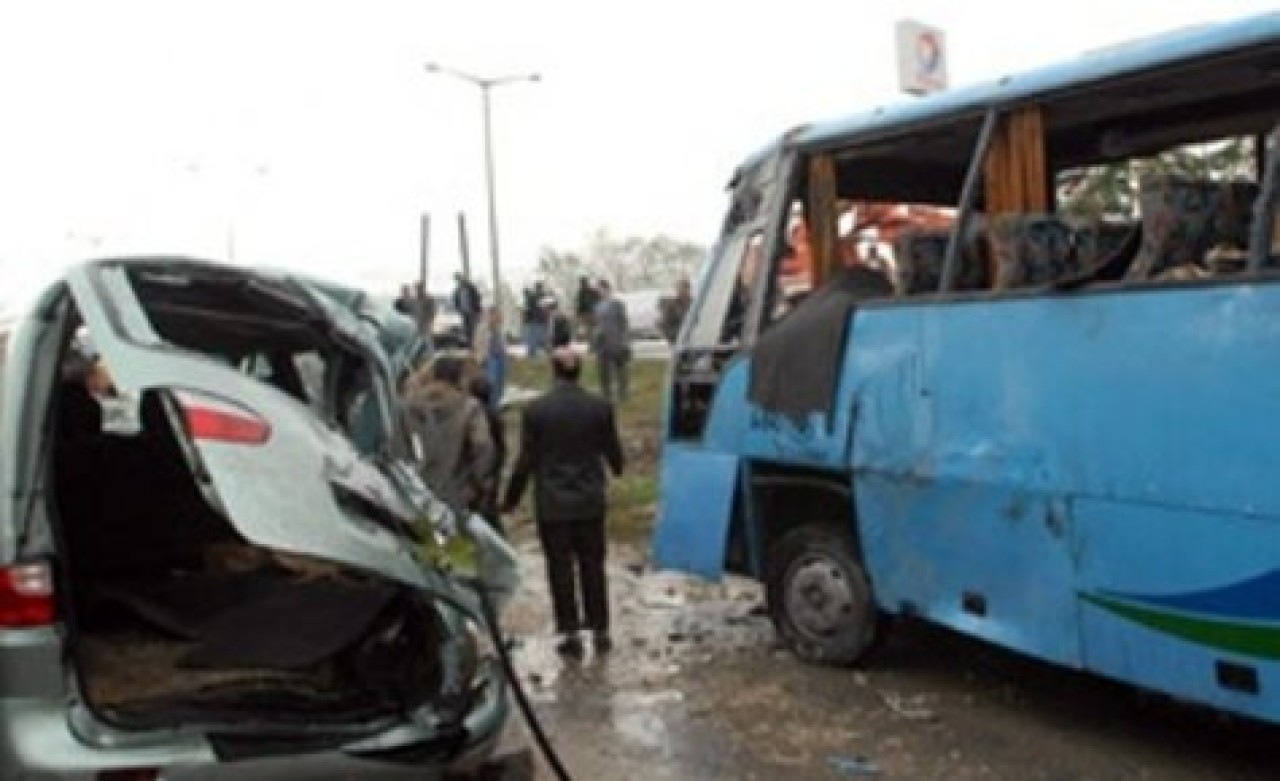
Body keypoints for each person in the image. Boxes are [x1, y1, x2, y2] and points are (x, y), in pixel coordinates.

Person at [502, 348, 624, 656]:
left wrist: (511, 499)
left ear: (554, 371)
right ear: (579, 371)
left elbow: (526, 460)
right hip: (589, 500)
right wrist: (617, 466)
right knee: (593, 565)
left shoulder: (536, 411)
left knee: (560, 568)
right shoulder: (599, 407)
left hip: (552, 502)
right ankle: (600, 628)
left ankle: (570, 632)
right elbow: (612, 449)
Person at [402, 353, 495, 514]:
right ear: (459, 378)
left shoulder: (409, 404)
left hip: (409, 489)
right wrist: (476, 486)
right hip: (451, 494)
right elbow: (483, 449)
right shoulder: (470, 408)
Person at [467, 374, 507, 535]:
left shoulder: (471, 414)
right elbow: (501, 445)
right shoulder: (494, 414)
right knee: (489, 506)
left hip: (475, 467)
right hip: (492, 466)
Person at [591, 280, 631, 404]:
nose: (598, 291)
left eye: (600, 289)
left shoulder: (618, 304)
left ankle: (622, 394)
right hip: (601, 342)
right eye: (597, 290)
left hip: (616, 341)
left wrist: (624, 341)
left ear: (606, 288)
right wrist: (595, 335)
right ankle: (605, 394)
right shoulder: (597, 306)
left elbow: (624, 323)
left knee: (620, 369)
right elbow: (597, 323)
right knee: (603, 370)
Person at [472, 306, 508, 409]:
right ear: (491, 315)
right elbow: (477, 344)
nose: (500, 318)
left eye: (500, 316)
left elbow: (503, 342)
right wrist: (480, 358)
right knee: (492, 383)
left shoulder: (500, 328)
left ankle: (496, 404)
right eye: (498, 315)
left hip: (501, 357)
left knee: (501, 382)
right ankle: (490, 406)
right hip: (489, 358)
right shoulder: (482, 328)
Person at [659, 277, 693, 344]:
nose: (683, 291)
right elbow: (664, 325)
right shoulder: (671, 305)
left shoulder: (695, 303)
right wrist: (676, 335)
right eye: (679, 289)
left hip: (694, 338)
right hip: (678, 338)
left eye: (685, 288)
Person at [452, 273, 483, 347]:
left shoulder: (470, 287)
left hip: (473, 311)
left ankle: (476, 343)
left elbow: (477, 297)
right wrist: (458, 309)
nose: (459, 281)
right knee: (467, 329)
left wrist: (477, 308)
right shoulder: (457, 290)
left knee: (474, 328)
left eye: (459, 279)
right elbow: (456, 301)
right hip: (464, 312)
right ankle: (470, 344)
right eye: (457, 280)